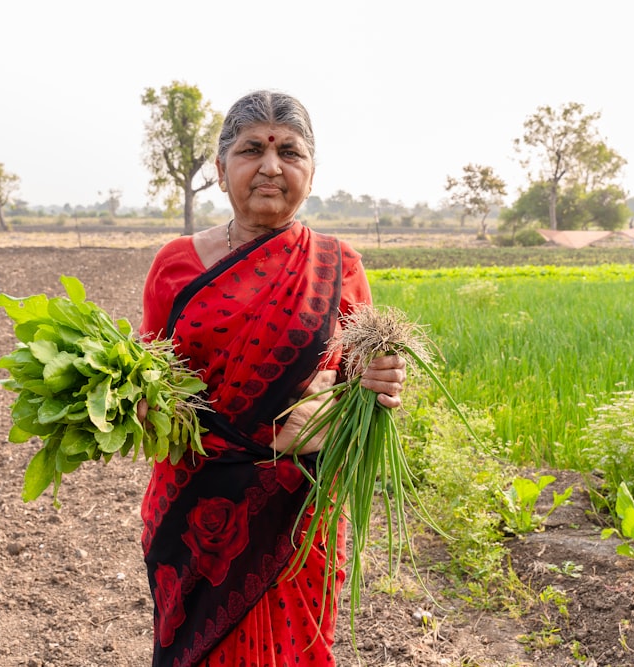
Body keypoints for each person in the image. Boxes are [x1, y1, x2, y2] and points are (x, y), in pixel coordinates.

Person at [138, 89, 407, 667]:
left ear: (310, 170)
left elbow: (361, 400)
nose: (270, 165)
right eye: (250, 149)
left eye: (289, 151)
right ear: (219, 169)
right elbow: (145, 395)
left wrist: (380, 387)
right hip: (196, 519)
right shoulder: (176, 265)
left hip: (297, 521)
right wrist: (261, 439)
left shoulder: (339, 265)